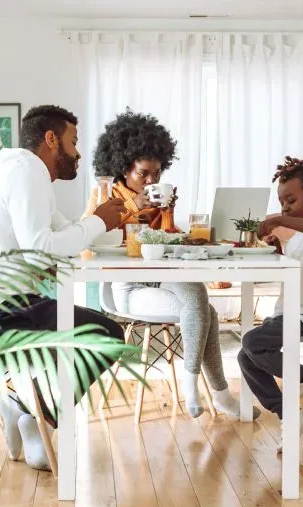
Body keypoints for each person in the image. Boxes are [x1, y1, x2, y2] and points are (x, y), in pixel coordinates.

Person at [0, 105, 127, 470]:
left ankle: (26, 408)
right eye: (73, 142)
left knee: (97, 329)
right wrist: (96, 222)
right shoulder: (28, 173)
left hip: (2, 301)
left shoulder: (26, 175)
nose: (76, 153)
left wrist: (97, 222)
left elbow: (61, 235)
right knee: (107, 334)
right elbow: (42, 247)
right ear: (51, 139)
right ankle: (29, 411)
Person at [83, 109, 260, 421]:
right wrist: (129, 206)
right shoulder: (105, 195)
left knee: (197, 295)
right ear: (123, 168)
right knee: (205, 311)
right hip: (125, 287)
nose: (152, 181)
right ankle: (214, 393)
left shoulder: (155, 198)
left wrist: (167, 214)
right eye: (144, 174)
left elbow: (166, 247)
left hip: (162, 277)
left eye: (158, 174)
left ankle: (197, 387)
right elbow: (88, 245)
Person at [238, 155, 303, 451]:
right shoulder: (296, 239)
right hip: (286, 313)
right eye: (282, 202)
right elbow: (294, 269)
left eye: (291, 201)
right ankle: (290, 414)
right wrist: (278, 247)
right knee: (246, 357)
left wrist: (281, 221)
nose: (284, 207)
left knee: (252, 343)